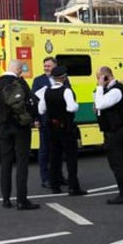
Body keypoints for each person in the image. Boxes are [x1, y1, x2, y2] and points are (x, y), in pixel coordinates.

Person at [0, 59, 40, 210]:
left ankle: (5, 199)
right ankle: (21, 200)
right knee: (22, 162)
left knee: (6, 163)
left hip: (4, 128)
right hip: (21, 127)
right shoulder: (20, 82)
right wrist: (34, 118)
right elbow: (31, 102)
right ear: (18, 70)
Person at [35, 65, 86, 196]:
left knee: (54, 157)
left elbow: (41, 110)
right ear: (64, 77)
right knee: (71, 158)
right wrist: (76, 105)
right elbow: (71, 108)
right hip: (66, 128)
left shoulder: (46, 91)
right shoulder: (66, 91)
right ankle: (73, 187)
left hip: (52, 128)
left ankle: (55, 185)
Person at [93, 66, 123, 204]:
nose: (98, 81)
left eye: (99, 78)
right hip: (114, 130)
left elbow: (100, 104)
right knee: (122, 161)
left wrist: (100, 87)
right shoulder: (111, 90)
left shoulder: (116, 91)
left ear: (106, 77)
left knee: (117, 163)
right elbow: (98, 106)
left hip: (117, 131)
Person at [31, 57, 69, 189]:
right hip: (45, 121)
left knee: (59, 151)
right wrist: (35, 119)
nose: (46, 68)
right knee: (44, 151)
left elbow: (68, 94)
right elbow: (34, 101)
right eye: (45, 66)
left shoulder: (63, 80)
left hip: (60, 121)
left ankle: (58, 176)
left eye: (49, 66)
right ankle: (46, 178)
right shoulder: (38, 80)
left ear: (55, 66)